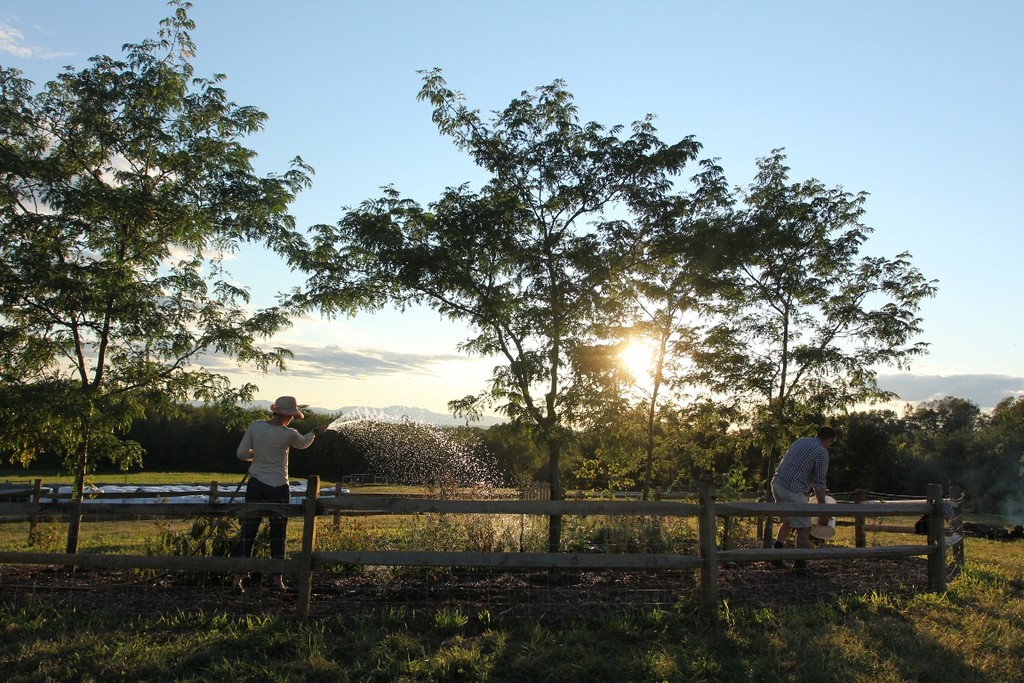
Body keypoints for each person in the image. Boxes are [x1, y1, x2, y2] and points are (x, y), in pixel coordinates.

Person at [233, 396, 327, 593]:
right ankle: (278, 581)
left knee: (248, 531)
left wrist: (256, 455)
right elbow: (303, 443)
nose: (292, 419)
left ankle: (237, 580)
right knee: (278, 533)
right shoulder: (289, 434)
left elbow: (241, 454)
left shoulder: (256, 427)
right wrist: (314, 432)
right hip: (279, 486)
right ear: (287, 416)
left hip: (256, 484)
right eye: (292, 415)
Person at [770, 426, 837, 575]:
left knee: (787, 521)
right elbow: (819, 484)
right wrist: (823, 511)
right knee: (804, 527)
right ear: (830, 440)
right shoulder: (822, 452)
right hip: (793, 489)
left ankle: (776, 556)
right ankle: (800, 566)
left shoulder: (801, 442)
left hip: (777, 484)